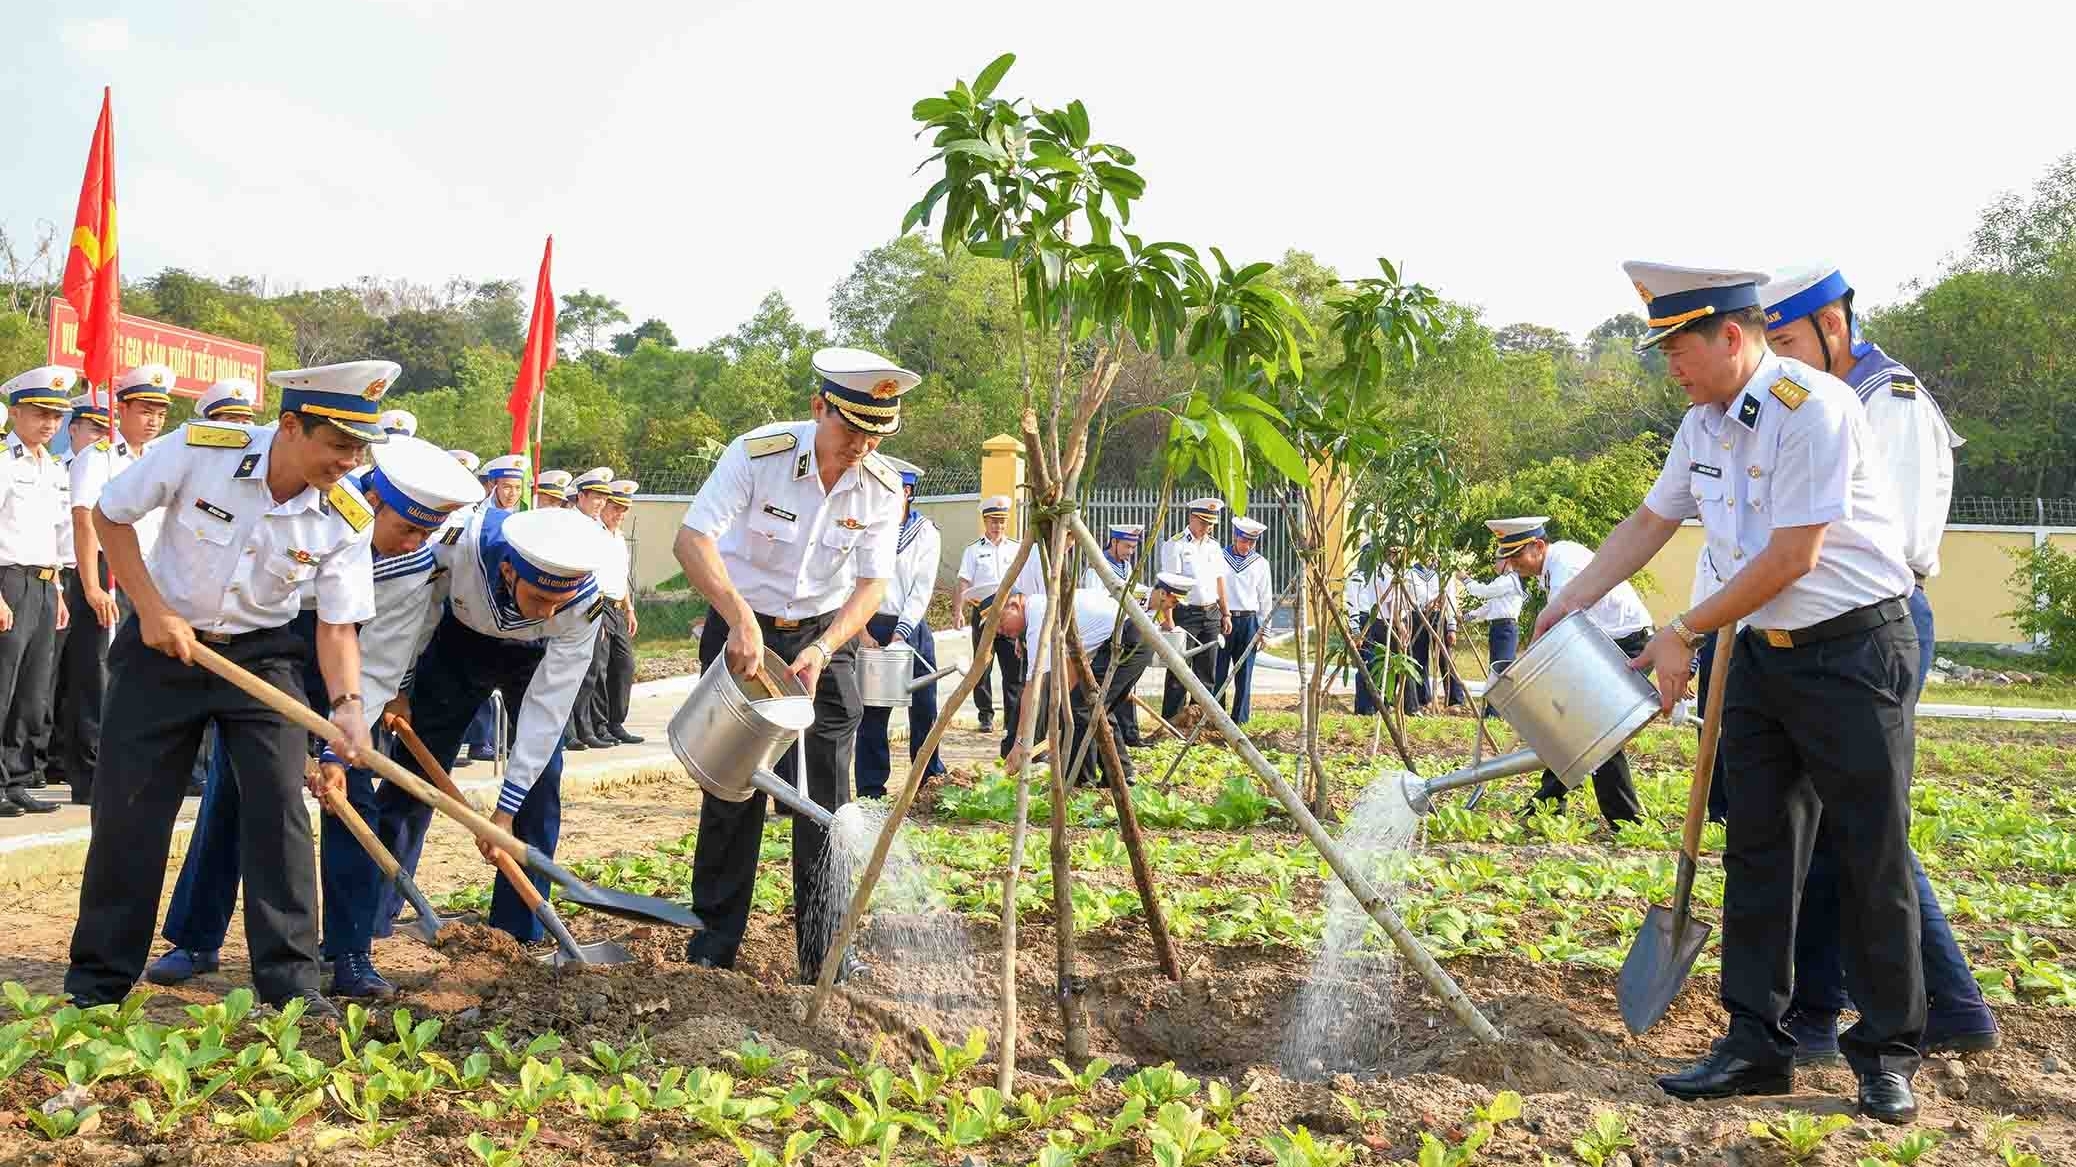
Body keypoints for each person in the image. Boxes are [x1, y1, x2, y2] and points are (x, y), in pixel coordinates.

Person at [1541, 262, 1923, 1122]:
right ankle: (1756, 1041)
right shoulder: (1700, 425)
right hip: (1761, 657)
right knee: (1757, 848)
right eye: (1664, 348)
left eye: (1680, 346)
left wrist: (1684, 628)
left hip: (1855, 650)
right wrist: (1567, 600)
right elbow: (1649, 522)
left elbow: (1795, 556)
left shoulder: (1815, 407)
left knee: (1871, 851)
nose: (1670, 364)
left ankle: (1887, 1053)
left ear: (1733, 336)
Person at [64, 359, 386, 1017]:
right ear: (291, 425)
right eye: (339, 444)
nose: (350, 462)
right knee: (130, 816)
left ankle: (291, 984)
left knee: (280, 815)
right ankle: (97, 985)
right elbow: (111, 515)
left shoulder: (347, 515)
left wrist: (350, 709)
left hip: (262, 658)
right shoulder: (203, 451)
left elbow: (336, 627)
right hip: (162, 646)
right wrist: (150, 609)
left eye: (359, 448)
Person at [146, 436, 484, 997]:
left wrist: (336, 749)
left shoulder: (412, 566)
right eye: (409, 528)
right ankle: (196, 938)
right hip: (268, 652)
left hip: (345, 674)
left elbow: (379, 662)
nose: (417, 543)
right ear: (371, 505)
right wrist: (280, 727)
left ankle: (351, 953)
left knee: (356, 798)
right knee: (238, 791)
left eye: (427, 533)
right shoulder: (308, 517)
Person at [1759, 266, 1997, 1060]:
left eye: (1787, 340)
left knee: (1867, 823)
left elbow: (1866, 548)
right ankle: (1820, 1011)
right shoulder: (1811, 399)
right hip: (1818, 624)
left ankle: (1950, 1006)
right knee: (1837, 825)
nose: (1779, 360)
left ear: (1835, 323)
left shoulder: (1881, 400)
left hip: (1872, 623)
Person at [672, 346, 909, 983]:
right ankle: (713, 945)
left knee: (826, 798)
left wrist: (825, 647)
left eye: (874, 433)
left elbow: (871, 585)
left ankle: (824, 951)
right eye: (851, 427)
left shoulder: (883, 488)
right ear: (818, 408)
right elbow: (692, 540)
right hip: (741, 630)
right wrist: (739, 617)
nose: (861, 445)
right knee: (733, 788)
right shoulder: (759, 455)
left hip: (822, 639)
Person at [371, 505, 614, 945]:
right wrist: (398, 685)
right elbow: (415, 611)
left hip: (536, 660)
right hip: (459, 645)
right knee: (414, 777)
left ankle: (517, 930)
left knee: (541, 786)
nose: (546, 611)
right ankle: (371, 915)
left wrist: (504, 811)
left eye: (556, 603)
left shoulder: (582, 605)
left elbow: (549, 709)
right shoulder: (460, 543)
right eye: (538, 598)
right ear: (508, 571)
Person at [1493, 516, 1649, 825]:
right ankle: (1547, 804)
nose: (1512, 566)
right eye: (1507, 559)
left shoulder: (1566, 565)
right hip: (1601, 645)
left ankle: (1626, 820)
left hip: (1626, 645)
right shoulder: (1552, 565)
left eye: (1516, 557)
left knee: (1600, 733)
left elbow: (1563, 622)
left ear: (1538, 545)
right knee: (1571, 727)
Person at [997, 574, 1178, 789]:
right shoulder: (1044, 607)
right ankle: (1120, 773)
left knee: (1081, 709)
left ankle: (1079, 781)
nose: (1000, 631)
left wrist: (1020, 743)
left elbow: (1033, 688)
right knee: (1096, 708)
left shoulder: (1039, 617)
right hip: (1132, 637)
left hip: (1129, 640)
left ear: (1015, 605)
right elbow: (1072, 661)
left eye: (999, 623)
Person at [0, 367, 77, 816]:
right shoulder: (5, 462)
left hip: (47, 584)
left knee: (33, 691)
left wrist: (61, 590)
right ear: (15, 413)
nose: (49, 423)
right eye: (39, 413)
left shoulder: (52, 466)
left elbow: (58, 531)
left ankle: (17, 776)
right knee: (3, 685)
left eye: (55, 415)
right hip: (9, 580)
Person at [857, 458, 945, 799]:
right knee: (872, 711)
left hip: (909, 627)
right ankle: (870, 789)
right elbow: (852, 579)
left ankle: (927, 779)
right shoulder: (866, 525)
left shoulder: (926, 533)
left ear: (907, 492)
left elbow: (921, 588)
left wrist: (900, 635)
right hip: (868, 624)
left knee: (924, 706)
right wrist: (862, 632)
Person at [1158, 498, 1230, 722]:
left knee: (1206, 671)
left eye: (1211, 524)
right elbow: (1168, 586)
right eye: (1203, 522)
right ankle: (1172, 721)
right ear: (1192, 518)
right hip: (1184, 614)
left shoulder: (1214, 546)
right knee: (1179, 670)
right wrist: (1167, 619)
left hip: (1211, 614)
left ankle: (1200, 720)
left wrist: (1225, 613)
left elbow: (1220, 582)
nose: (1207, 528)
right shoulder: (1176, 545)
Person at [954, 496, 1018, 739]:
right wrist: (957, 610)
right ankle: (985, 716)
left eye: (1001, 521)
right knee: (983, 666)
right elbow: (963, 581)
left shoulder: (1016, 548)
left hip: (1011, 614)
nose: (997, 526)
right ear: (984, 521)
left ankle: (1012, 718)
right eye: (993, 521)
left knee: (1014, 668)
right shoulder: (973, 550)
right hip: (982, 613)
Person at [564, 466, 618, 750]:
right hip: (574, 605)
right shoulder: (569, 523)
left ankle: (584, 727)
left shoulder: (597, 526)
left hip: (597, 605)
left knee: (592, 671)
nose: (600, 503)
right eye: (595, 497)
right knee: (572, 671)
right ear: (581, 496)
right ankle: (569, 730)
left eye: (603, 499)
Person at [585, 478, 641, 746]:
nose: (619, 514)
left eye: (624, 510)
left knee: (625, 665)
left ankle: (616, 721)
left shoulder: (619, 538)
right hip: (600, 605)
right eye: (616, 507)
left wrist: (629, 609)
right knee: (600, 666)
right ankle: (598, 725)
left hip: (618, 606)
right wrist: (599, 615)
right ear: (605, 504)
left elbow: (621, 577)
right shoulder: (593, 533)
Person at [1086, 524, 1145, 743]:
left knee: (1127, 685)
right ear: (1114, 542)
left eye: (1133, 547)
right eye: (1127, 546)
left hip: (1124, 630)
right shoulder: (1097, 568)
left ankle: (1130, 733)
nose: (1130, 551)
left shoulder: (1126, 567)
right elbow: (1094, 601)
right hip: (1106, 633)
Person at [1217, 516, 1273, 722]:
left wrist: (1265, 630)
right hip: (1224, 619)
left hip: (1249, 621)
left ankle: (1240, 719)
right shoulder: (1220, 557)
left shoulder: (1260, 563)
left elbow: (1265, 598)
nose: (1247, 546)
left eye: (1252, 542)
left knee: (1245, 674)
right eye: (1244, 540)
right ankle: (1216, 716)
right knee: (1218, 671)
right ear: (1235, 537)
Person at [1462, 564, 1523, 719]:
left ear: (1507, 562)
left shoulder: (1508, 580)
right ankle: (1494, 710)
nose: (1495, 564)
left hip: (1505, 628)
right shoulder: (1503, 581)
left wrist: (1466, 580)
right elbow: (1490, 606)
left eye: (1498, 560)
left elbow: (1485, 592)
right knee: (1496, 668)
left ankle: (1497, 712)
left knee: (1501, 670)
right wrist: (1468, 616)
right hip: (1499, 627)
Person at [1345, 545, 1395, 716]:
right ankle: (1364, 708)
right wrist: (1355, 630)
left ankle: (1382, 704)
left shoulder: (1381, 575)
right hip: (1364, 619)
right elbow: (1352, 604)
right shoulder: (1356, 577)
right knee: (1367, 665)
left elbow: (1389, 597)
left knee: (1383, 663)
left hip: (1380, 620)